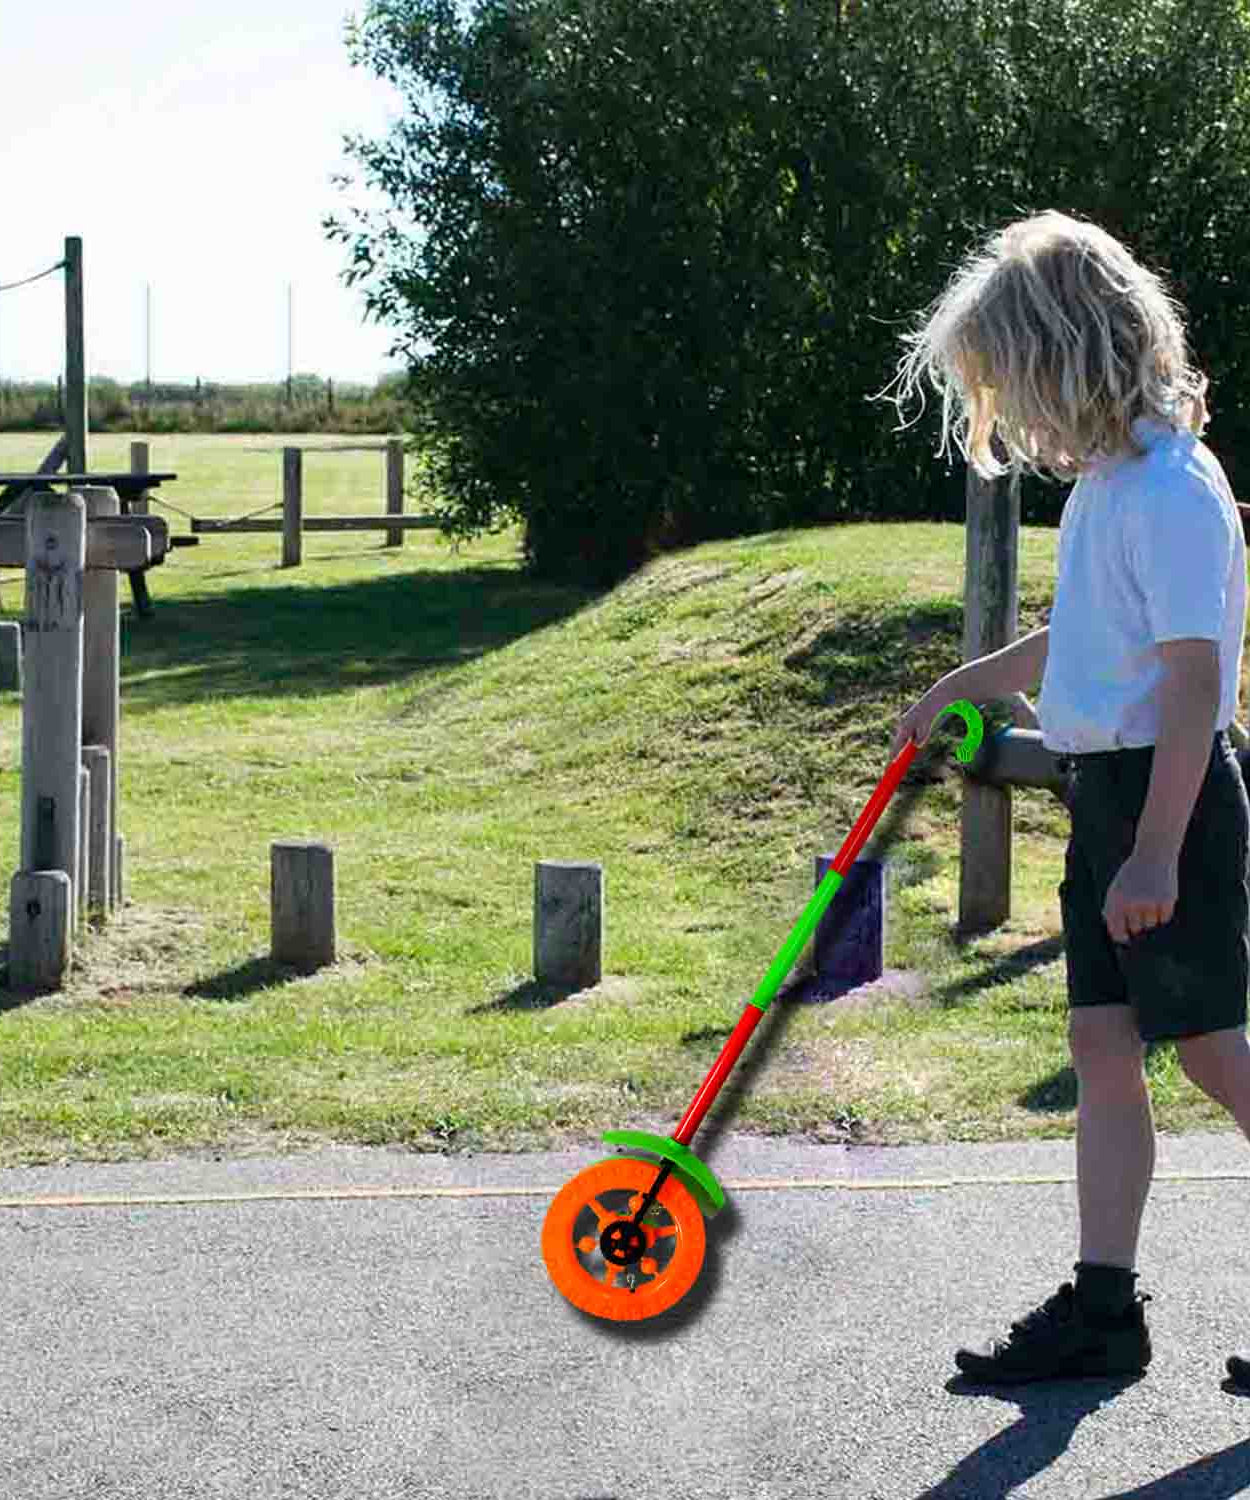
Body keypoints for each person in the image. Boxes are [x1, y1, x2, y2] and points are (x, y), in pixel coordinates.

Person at [875, 208, 1250, 1386]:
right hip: (1109, 798)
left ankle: (1103, 1307)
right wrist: (967, 681)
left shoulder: (1174, 490)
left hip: (1165, 803)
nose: (1018, 416)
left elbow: (1191, 688)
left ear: (1070, 352)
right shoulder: (1106, 485)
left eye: (1018, 383)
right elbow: (1093, 634)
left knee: (1209, 1054)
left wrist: (1151, 853)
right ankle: (1104, 1312)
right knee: (1100, 1045)